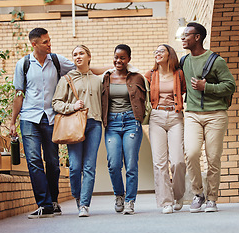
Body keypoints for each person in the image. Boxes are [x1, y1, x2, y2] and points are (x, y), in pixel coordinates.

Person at [9, 28, 107, 219]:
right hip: (29, 118)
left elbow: (83, 70)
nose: (49, 44)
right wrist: (13, 121)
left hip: (52, 118)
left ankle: (53, 201)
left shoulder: (56, 61)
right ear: (34, 44)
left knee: (53, 162)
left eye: (49, 40)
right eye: (45, 42)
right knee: (33, 160)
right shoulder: (23, 64)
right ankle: (44, 204)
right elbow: (18, 94)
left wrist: (114, 70)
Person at [180, 22, 236, 213]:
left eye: (186, 35)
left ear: (197, 37)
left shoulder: (216, 61)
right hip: (193, 115)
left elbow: (230, 86)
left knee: (213, 158)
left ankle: (212, 198)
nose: (183, 38)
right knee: (192, 152)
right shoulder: (184, 61)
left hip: (216, 115)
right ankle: (198, 193)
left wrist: (208, 87)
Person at [52, 45, 102, 217]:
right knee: (74, 167)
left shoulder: (98, 80)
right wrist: (72, 106)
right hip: (74, 125)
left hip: (94, 124)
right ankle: (78, 196)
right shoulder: (66, 79)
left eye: (81, 53)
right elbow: (56, 103)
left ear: (89, 56)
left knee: (89, 166)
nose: (78, 56)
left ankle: (85, 205)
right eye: (75, 54)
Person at [101, 44, 146, 215]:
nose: (118, 60)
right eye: (116, 57)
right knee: (113, 164)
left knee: (131, 164)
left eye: (122, 57)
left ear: (129, 59)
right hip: (112, 123)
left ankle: (130, 201)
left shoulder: (137, 78)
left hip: (131, 122)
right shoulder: (106, 77)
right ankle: (119, 195)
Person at [144, 44, 186, 214]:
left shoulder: (179, 74)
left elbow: (185, 91)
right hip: (157, 117)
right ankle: (166, 201)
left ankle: (178, 194)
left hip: (176, 117)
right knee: (159, 162)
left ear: (170, 55)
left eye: (161, 51)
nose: (157, 53)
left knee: (178, 161)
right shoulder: (151, 74)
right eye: (155, 51)